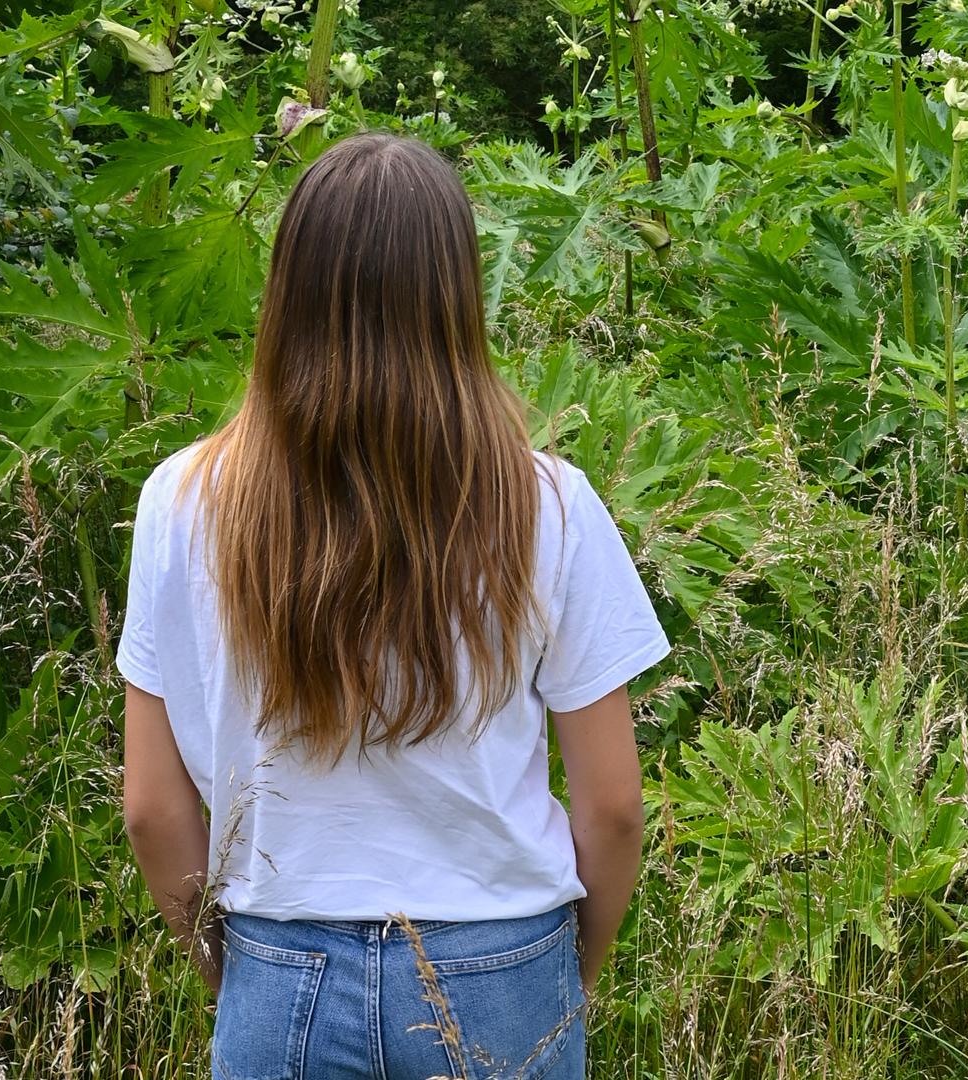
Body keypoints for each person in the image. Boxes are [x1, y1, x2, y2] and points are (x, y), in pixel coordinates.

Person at [116, 131, 668, 1080]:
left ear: (286, 295)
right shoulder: (550, 507)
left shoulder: (183, 499)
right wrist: (558, 986)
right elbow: (614, 807)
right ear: (457, 298)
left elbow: (151, 811)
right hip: (502, 962)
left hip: (280, 967)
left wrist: (238, 978)